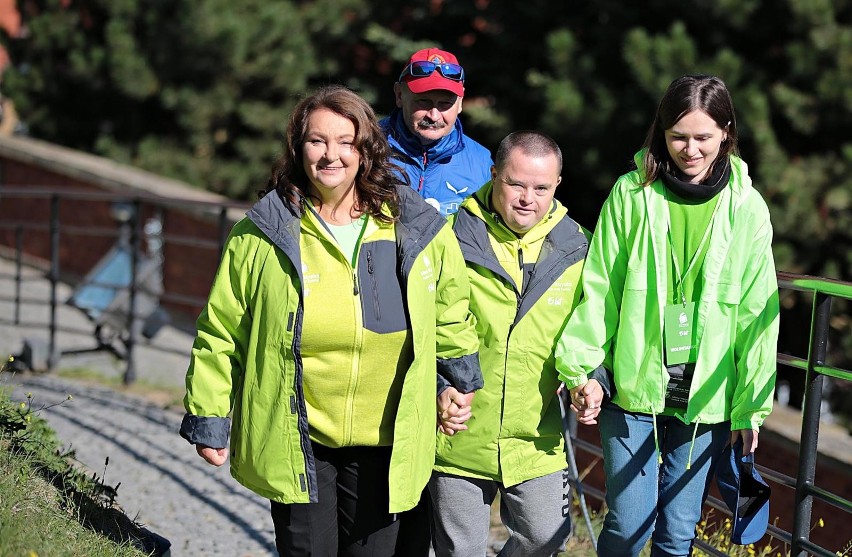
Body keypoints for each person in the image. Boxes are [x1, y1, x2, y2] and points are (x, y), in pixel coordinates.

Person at [179, 84, 483, 556]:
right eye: (317, 141)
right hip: (298, 433)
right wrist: (210, 415)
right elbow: (222, 329)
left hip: (386, 438)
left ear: (366, 149)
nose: (331, 155)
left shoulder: (413, 226)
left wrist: (454, 382)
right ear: (298, 149)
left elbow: (451, 312)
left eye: (346, 142)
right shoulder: (263, 233)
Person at [555, 74, 779, 557]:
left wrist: (751, 406)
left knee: (678, 532)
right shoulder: (631, 193)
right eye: (678, 136)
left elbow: (759, 313)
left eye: (703, 137)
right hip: (633, 387)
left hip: (706, 399)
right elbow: (600, 287)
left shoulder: (749, 208)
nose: (690, 149)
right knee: (628, 526)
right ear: (661, 132)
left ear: (726, 132)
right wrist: (582, 370)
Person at [429, 131, 606, 557]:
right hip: (457, 435)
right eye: (516, 184)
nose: (528, 197)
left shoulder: (579, 247)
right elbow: (425, 327)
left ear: (557, 185)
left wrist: (593, 378)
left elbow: (595, 327)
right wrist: (438, 388)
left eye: (541, 187)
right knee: (460, 552)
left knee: (547, 535)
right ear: (494, 175)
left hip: (535, 439)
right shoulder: (450, 237)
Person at [381, 47, 493, 216]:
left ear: (460, 103)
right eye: (423, 102)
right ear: (399, 95)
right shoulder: (366, 145)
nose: (434, 116)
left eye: (445, 104)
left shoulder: (482, 162)